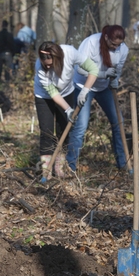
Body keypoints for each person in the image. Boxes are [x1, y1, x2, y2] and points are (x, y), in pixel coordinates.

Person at [66, 25, 129, 171]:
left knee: (119, 122)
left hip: (104, 88)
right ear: (106, 37)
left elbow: (118, 69)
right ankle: (71, 166)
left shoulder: (123, 49)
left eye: (118, 45)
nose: (115, 47)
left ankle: (123, 164)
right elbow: (80, 69)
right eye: (113, 44)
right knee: (81, 126)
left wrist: (114, 79)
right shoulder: (91, 43)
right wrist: (103, 74)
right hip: (83, 87)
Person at [34, 42, 98, 178]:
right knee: (47, 132)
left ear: (58, 58)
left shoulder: (70, 53)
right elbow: (53, 93)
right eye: (45, 62)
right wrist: (68, 109)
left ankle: (59, 168)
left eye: (50, 62)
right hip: (44, 97)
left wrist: (85, 90)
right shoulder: (40, 67)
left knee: (64, 129)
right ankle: (46, 171)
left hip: (67, 92)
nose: (47, 65)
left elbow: (93, 69)